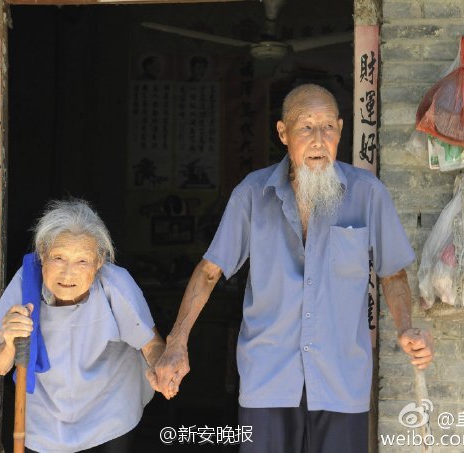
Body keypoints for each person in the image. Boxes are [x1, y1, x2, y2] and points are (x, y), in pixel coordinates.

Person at [152, 84, 434, 452]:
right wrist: (177, 341)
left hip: (341, 379)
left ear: (341, 130)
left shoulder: (368, 194)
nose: (319, 140)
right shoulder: (252, 194)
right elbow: (210, 271)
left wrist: (406, 326)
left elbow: (392, 273)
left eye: (328, 128)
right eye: (306, 127)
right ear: (283, 133)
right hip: (268, 378)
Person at [0, 200, 174, 453]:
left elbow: (151, 345)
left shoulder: (115, 284)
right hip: (44, 418)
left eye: (82, 261)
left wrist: (163, 369)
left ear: (98, 263)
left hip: (109, 411)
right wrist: (8, 342)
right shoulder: (27, 283)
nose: (68, 273)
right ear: (42, 254)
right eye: (59, 258)